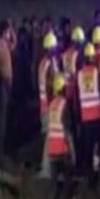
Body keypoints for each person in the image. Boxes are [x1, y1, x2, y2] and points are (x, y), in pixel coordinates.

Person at [76, 43, 100, 198]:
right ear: (93, 57)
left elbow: (77, 100)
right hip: (98, 117)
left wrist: (78, 120)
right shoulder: (97, 73)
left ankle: (91, 182)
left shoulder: (79, 75)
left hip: (85, 119)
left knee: (88, 152)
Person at [41, 75, 77, 199]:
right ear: (63, 88)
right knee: (68, 176)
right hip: (62, 147)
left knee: (54, 182)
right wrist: (71, 150)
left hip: (52, 147)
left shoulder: (52, 105)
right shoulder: (65, 104)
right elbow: (66, 128)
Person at [37, 32, 60, 179]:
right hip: (48, 106)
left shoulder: (45, 63)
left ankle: (49, 168)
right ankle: (46, 169)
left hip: (46, 105)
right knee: (49, 137)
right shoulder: (48, 64)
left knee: (50, 136)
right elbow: (50, 85)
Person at [0, 20, 15, 166]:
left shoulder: (5, 44)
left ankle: (2, 150)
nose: (10, 34)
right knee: (2, 118)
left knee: (5, 116)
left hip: (6, 83)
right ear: (3, 32)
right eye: (8, 31)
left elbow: (14, 44)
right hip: (3, 84)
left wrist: (11, 29)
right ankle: (0, 151)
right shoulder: (0, 46)